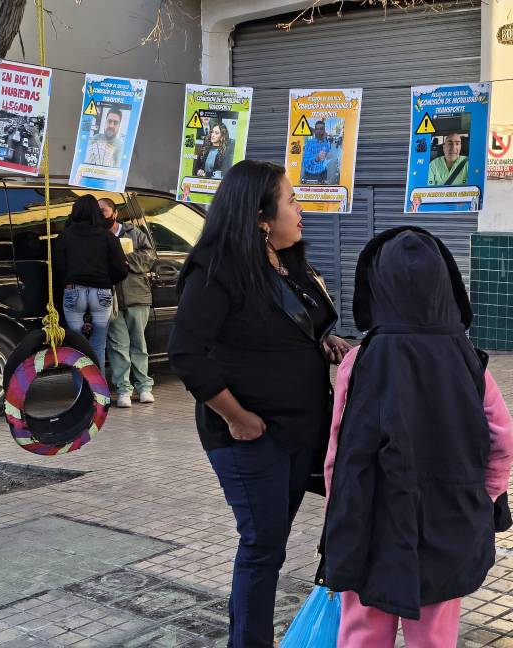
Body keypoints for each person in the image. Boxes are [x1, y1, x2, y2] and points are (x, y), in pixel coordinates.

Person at [168, 160, 350, 648]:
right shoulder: (217, 271)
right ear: (260, 217)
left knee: (272, 542)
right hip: (251, 437)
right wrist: (237, 417)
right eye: (291, 201)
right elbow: (186, 354)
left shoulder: (289, 262)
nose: (300, 209)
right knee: (262, 546)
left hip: (299, 432)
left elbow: (300, 327)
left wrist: (326, 342)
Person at [322, 227, 513, 647]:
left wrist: (338, 518)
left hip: (368, 525)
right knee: (434, 638)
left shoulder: (358, 362)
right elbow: (504, 444)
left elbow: (336, 454)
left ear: (374, 287)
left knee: (361, 635)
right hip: (447, 523)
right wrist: (480, 497)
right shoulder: (470, 363)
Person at [56, 194, 128, 377]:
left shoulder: (65, 235)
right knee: (98, 347)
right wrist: (106, 281)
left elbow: (58, 266)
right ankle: (99, 399)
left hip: (73, 292)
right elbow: (121, 269)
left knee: (78, 348)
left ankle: (82, 396)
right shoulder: (107, 237)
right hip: (102, 293)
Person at [100, 198, 157, 408]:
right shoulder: (98, 236)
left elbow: (150, 256)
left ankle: (144, 387)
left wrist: (126, 260)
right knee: (118, 346)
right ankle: (123, 389)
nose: (100, 215)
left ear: (115, 213)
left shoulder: (134, 233)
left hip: (136, 296)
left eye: (103, 210)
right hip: (111, 298)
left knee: (139, 344)